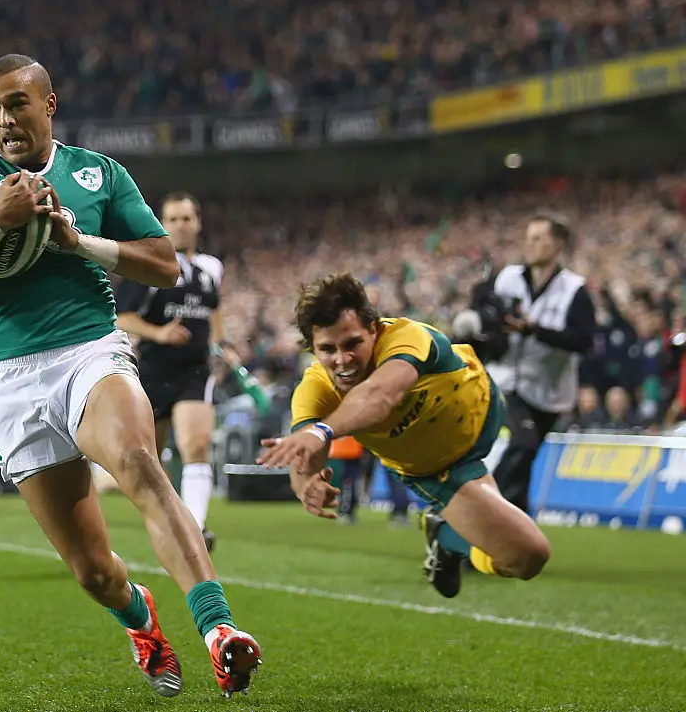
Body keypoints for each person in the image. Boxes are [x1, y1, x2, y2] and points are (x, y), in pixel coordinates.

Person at [0, 53, 260, 698]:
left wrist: (81, 243)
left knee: (139, 462)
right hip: (9, 378)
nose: (4, 119)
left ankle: (219, 631)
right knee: (92, 572)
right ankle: (140, 618)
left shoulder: (98, 173)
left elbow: (165, 266)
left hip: (89, 351)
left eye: (16, 103)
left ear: (49, 104)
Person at [256, 272, 551, 599]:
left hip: (487, 411)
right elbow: (304, 458)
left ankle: (452, 532)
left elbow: (380, 395)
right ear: (312, 349)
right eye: (327, 349)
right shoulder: (314, 390)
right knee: (528, 557)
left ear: (374, 329)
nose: (342, 359)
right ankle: (448, 538)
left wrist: (323, 431)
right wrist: (306, 484)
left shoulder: (406, 336)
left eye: (352, 343)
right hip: (441, 471)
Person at [115, 191, 227, 552]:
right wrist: (159, 333)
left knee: (196, 444)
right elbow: (121, 316)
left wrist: (220, 344)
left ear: (198, 222)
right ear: (162, 224)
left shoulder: (212, 267)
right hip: (153, 371)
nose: (181, 225)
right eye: (173, 219)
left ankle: (195, 527)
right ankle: (169, 518)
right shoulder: (150, 265)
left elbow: (215, 309)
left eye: (187, 218)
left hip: (194, 370)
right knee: (150, 457)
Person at [487, 214, 596, 513]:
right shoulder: (508, 278)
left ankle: (514, 527)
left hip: (550, 391)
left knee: (526, 458)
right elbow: (484, 311)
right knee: (523, 444)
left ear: (557, 244)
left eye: (538, 238)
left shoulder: (574, 289)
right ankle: (483, 508)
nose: (529, 244)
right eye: (528, 237)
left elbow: (584, 340)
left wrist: (535, 330)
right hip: (506, 380)